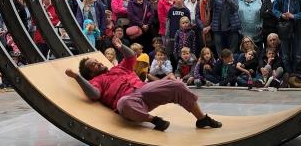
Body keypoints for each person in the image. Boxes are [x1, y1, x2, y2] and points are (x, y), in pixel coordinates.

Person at [66, 37, 221, 131]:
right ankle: (154, 120)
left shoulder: (118, 68)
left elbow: (131, 57)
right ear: (90, 73)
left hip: (144, 90)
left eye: (97, 61)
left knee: (177, 85)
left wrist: (121, 47)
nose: (98, 63)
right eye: (93, 65)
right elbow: (95, 95)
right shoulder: (96, 81)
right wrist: (78, 77)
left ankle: (202, 119)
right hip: (130, 102)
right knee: (124, 102)